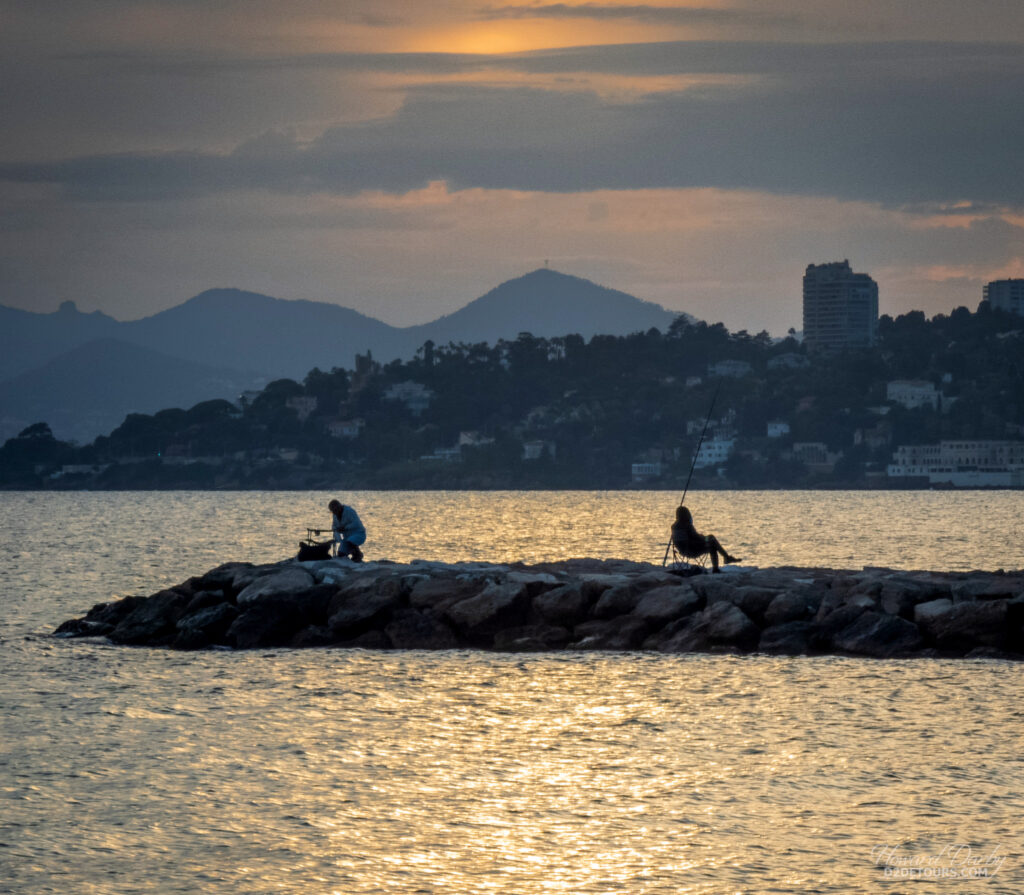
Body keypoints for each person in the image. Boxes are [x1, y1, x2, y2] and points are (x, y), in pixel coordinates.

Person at [671, 505, 740, 573]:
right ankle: (721, 563)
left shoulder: (674, 526)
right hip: (692, 549)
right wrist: (704, 537)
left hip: (683, 551)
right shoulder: (687, 525)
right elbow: (696, 537)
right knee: (712, 541)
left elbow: (688, 538)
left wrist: (702, 537)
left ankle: (726, 558)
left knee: (711, 540)